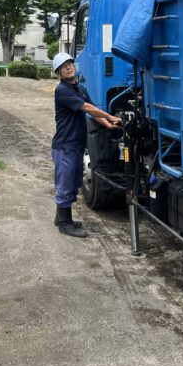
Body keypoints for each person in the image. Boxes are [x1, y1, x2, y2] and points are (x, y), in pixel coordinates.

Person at [51, 52, 122, 238]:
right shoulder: (62, 90)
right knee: (65, 184)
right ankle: (65, 224)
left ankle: (61, 217)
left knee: (74, 183)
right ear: (59, 73)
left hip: (76, 144)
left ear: (74, 66)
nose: (67, 67)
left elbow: (93, 111)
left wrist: (110, 124)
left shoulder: (80, 88)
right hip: (65, 145)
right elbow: (88, 108)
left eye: (69, 64)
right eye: (62, 67)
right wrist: (110, 116)